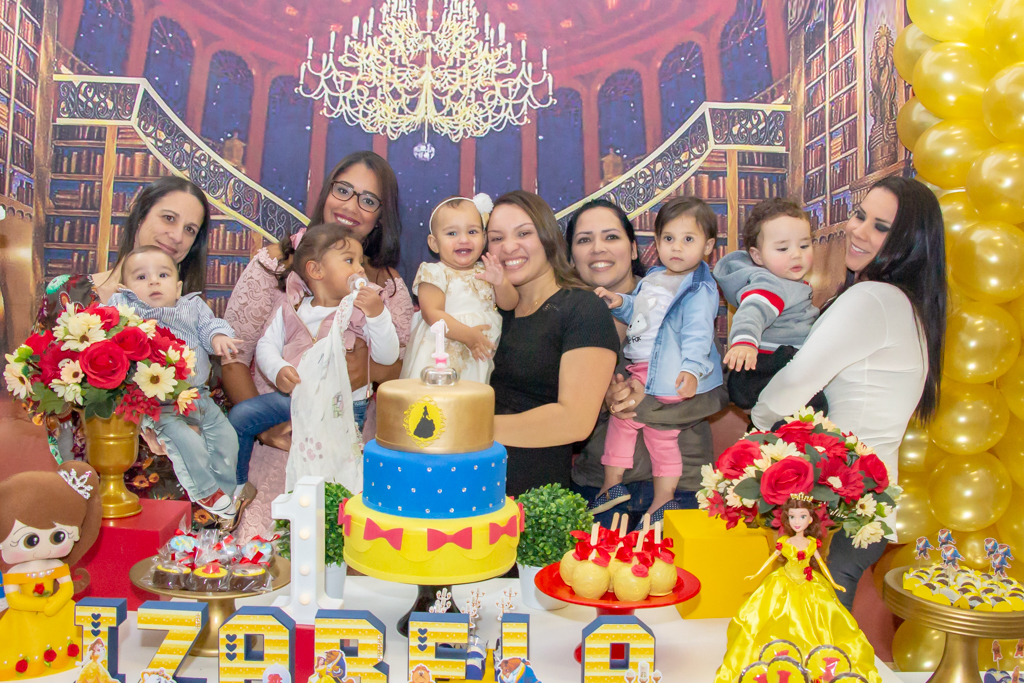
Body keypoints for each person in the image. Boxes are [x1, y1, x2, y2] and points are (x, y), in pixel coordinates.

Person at [751, 176, 946, 609]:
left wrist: (757, 431)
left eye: (881, 227)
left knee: (813, 643)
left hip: (840, 504)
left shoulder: (874, 298)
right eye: (860, 215)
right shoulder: (905, 303)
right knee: (818, 638)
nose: (858, 231)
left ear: (909, 243)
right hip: (860, 507)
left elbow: (795, 383)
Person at [222, 151, 413, 540]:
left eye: (368, 199)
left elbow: (397, 370)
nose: (351, 205)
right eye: (343, 190)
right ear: (326, 192)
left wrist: (360, 364)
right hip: (280, 443)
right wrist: (267, 429)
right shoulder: (275, 263)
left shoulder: (386, 286)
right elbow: (234, 356)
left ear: (381, 216)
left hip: (349, 445)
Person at [33, 177, 213, 499]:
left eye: (190, 230)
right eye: (168, 218)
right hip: (77, 479)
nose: (177, 236)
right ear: (140, 215)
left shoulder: (190, 315)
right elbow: (35, 388)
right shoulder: (68, 293)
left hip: (165, 482)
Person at [229, 223, 399, 489]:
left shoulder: (360, 310)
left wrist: (377, 316)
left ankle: (335, 506)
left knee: (332, 465)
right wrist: (278, 370)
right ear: (316, 270)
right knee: (240, 417)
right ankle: (237, 485)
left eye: (361, 263)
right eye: (349, 260)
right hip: (295, 397)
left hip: (341, 405)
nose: (360, 269)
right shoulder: (292, 307)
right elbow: (266, 346)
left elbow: (387, 356)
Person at [592, 197, 724, 522]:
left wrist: (692, 370)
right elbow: (640, 312)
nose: (676, 247)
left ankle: (659, 497)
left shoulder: (698, 289)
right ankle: (613, 486)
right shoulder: (654, 277)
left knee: (659, 434)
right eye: (668, 239)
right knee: (626, 423)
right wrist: (618, 301)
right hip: (641, 367)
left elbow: (698, 333)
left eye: (688, 239)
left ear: (708, 245)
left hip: (666, 373)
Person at [487, 190, 619, 497]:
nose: (509, 247)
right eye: (496, 238)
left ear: (548, 237)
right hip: (468, 484)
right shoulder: (490, 309)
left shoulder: (583, 308)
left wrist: (466, 428)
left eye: (524, 233)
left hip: (535, 499)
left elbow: (574, 421)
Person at [109, 246, 243, 522]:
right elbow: (103, 324)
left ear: (178, 286)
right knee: (185, 441)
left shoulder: (192, 306)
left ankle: (225, 492)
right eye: (142, 277)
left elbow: (209, 325)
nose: (154, 281)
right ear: (124, 288)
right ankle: (204, 490)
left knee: (227, 440)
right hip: (160, 403)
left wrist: (218, 336)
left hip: (198, 395)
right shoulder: (128, 308)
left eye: (163, 275)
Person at [713, 496, 881, 683]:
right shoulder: (785, 541)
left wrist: (833, 583)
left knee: (819, 621)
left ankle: (817, 663)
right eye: (792, 517)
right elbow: (771, 559)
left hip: (809, 583)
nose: (797, 521)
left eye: (802, 517)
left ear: (810, 519)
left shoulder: (811, 543)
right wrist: (755, 575)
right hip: (783, 581)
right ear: (787, 519)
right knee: (769, 617)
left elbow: (821, 564)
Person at [713, 198, 825, 413]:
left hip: (770, 365)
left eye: (804, 245)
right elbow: (753, 311)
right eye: (783, 248)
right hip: (768, 365)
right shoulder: (771, 285)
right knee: (814, 410)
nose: (796, 254)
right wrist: (745, 342)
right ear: (757, 256)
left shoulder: (786, 283)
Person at [0, 462, 102, 680]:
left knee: (67, 642)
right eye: (31, 540)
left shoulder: (56, 566)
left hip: (59, 613)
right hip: (24, 618)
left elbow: (65, 586)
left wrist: (57, 601)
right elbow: (14, 599)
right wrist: (41, 605)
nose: (46, 547)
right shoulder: (15, 572)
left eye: (58, 537)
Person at [401, 194, 518, 382]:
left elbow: (510, 304)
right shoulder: (434, 272)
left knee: (471, 401)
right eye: (452, 233)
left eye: (472, 232)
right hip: (442, 352)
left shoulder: (486, 270)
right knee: (439, 402)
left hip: (478, 354)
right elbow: (432, 314)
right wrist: (468, 336)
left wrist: (500, 283)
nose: (464, 240)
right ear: (434, 243)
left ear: (484, 237)